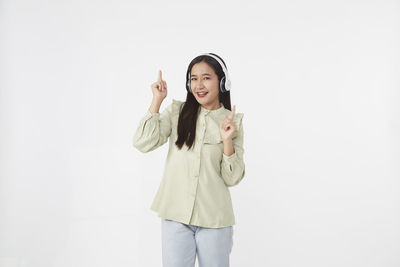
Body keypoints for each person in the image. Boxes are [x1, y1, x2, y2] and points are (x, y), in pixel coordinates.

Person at [132, 53, 245, 267]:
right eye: (193, 78)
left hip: (215, 220)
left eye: (206, 78)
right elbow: (142, 143)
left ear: (222, 82)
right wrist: (157, 100)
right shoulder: (177, 112)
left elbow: (232, 178)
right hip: (175, 216)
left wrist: (227, 141)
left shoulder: (233, 121)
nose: (199, 85)